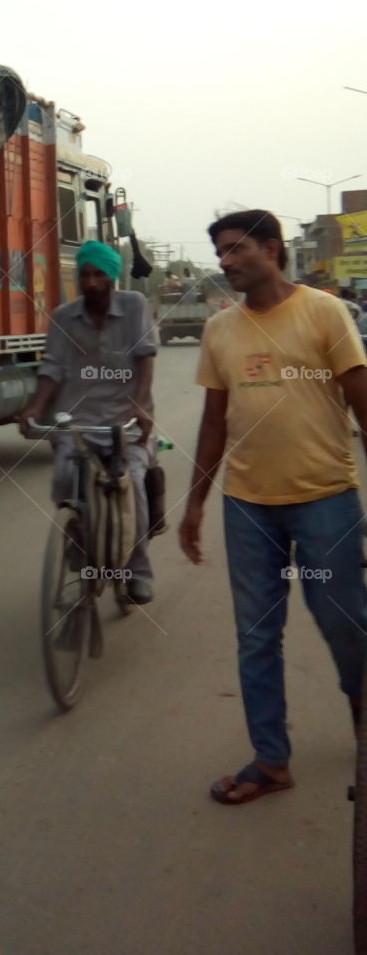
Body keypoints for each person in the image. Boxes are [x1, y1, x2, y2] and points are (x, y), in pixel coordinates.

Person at [177, 210, 367, 806]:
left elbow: (364, 405)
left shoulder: (325, 312)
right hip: (248, 506)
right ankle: (270, 760)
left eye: (236, 249)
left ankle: (363, 715)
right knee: (257, 636)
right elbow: (213, 423)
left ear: (272, 248)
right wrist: (195, 503)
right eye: (220, 253)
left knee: (344, 624)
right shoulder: (220, 330)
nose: (226, 261)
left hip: (326, 500)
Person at [19, 239, 158, 604]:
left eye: (99, 275)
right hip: (79, 422)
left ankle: (137, 572)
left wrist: (140, 405)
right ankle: (76, 541)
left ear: (112, 276)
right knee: (65, 478)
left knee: (133, 487)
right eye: (85, 275)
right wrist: (36, 407)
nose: (92, 282)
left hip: (125, 421)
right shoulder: (63, 317)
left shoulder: (135, 306)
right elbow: (52, 368)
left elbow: (145, 357)